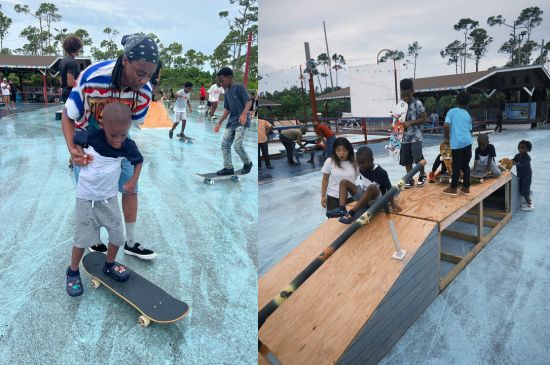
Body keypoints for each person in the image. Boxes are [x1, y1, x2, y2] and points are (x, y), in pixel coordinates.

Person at [62, 33, 158, 259]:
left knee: (130, 189)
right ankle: (94, 239)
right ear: (125, 60)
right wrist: (72, 150)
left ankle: (131, 241)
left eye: (149, 75)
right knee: (90, 195)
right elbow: (68, 116)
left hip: (118, 145)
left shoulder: (144, 92)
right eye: (140, 73)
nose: (144, 80)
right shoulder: (92, 78)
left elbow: (130, 126)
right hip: (88, 145)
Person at [66, 102, 143, 297]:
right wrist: (80, 154)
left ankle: (109, 264)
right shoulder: (92, 136)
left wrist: (133, 181)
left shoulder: (127, 145)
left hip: (109, 199)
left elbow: (138, 161)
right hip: (86, 199)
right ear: (103, 126)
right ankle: (72, 271)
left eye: (123, 135)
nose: (118, 140)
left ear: (129, 129)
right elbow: (76, 139)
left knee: (117, 235)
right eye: (113, 135)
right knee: (82, 239)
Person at [326, 146, 401, 224]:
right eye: (358, 163)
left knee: (372, 187)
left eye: (362, 163)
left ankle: (352, 213)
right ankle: (342, 209)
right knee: (344, 182)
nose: (360, 166)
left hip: (377, 200)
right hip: (365, 198)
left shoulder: (381, 172)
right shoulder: (362, 168)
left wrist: (393, 204)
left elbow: (390, 188)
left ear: (371, 160)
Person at [213, 67, 253, 175]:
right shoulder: (227, 92)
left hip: (241, 121)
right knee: (224, 144)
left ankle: (248, 163)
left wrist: (244, 113)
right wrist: (219, 123)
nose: (221, 83)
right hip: (231, 122)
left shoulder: (239, 87)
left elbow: (249, 101)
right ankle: (228, 168)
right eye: (219, 81)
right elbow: (228, 109)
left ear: (229, 77)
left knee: (237, 145)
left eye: (222, 81)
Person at [399, 79, 428, 188]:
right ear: (400, 92)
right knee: (406, 160)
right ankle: (409, 178)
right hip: (404, 138)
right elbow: (397, 120)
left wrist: (410, 122)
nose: (405, 97)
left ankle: (422, 175)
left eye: (408, 95)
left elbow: (425, 118)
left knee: (417, 158)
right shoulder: (399, 105)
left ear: (412, 91)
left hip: (416, 137)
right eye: (403, 95)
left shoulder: (417, 103)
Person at [443, 91, 473, 196]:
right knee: (465, 165)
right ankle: (466, 188)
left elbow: (446, 125)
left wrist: (447, 137)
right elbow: (469, 130)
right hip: (468, 142)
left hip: (457, 144)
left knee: (456, 165)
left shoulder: (452, 112)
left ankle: (453, 188)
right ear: (468, 103)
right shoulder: (468, 115)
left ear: (456, 100)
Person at [320, 137, 358, 214]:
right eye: (338, 150)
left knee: (351, 222)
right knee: (333, 224)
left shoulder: (354, 161)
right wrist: (323, 196)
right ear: (334, 150)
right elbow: (325, 179)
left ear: (349, 150)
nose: (341, 153)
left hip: (351, 197)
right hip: (334, 198)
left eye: (344, 150)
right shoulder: (330, 161)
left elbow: (359, 176)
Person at [60, 35, 83, 104]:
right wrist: (83, 83)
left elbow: (61, 81)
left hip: (64, 94)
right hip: (71, 95)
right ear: (76, 47)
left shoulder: (63, 61)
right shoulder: (72, 62)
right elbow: (70, 82)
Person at [512, 140, 533, 211]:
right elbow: (513, 160)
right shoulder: (517, 156)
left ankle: (530, 205)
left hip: (526, 176)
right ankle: (528, 201)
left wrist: (516, 164)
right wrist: (508, 162)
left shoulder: (527, 157)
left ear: (527, 149)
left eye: (523, 148)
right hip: (520, 176)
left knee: (525, 191)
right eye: (519, 147)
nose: (520, 149)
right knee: (522, 189)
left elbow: (524, 166)